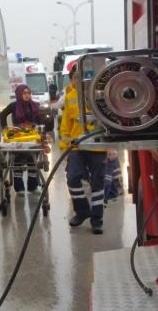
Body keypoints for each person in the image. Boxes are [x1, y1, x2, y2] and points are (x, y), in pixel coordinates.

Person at [59, 65, 107, 235]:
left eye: (81, 77)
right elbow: (66, 124)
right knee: (72, 177)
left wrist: (112, 146)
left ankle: (96, 220)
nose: (78, 80)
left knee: (97, 183)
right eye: (75, 77)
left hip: (98, 145)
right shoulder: (70, 97)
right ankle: (82, 211)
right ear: (71, 79)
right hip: (77, 145)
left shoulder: (100, 94)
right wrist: (65, 147)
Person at [0, 84, 42, 193]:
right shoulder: (13, 106)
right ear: (19, 94)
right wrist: (5, 129)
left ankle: (33, 187)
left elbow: (39, 120)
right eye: (24, 93)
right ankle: (19, 188)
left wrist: (40, 129)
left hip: (32, 137)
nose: (27, 95)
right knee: (18, 162)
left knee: (32, 162)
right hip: (18, 137)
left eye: (29, 93)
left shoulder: (35, 105)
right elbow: (2, 115)